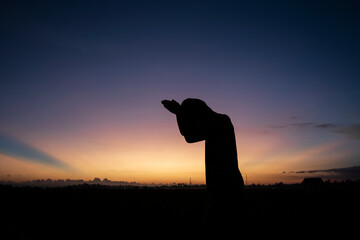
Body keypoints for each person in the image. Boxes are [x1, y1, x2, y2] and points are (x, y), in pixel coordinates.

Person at [162, 98, 244, 226]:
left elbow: (187, 132)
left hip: (227, 185)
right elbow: (188, 137)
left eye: (191, 116)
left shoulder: (221, 121)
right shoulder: (213, 126)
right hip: (220, 187)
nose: (191, 121)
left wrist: (179, 113)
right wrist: (179, 113)